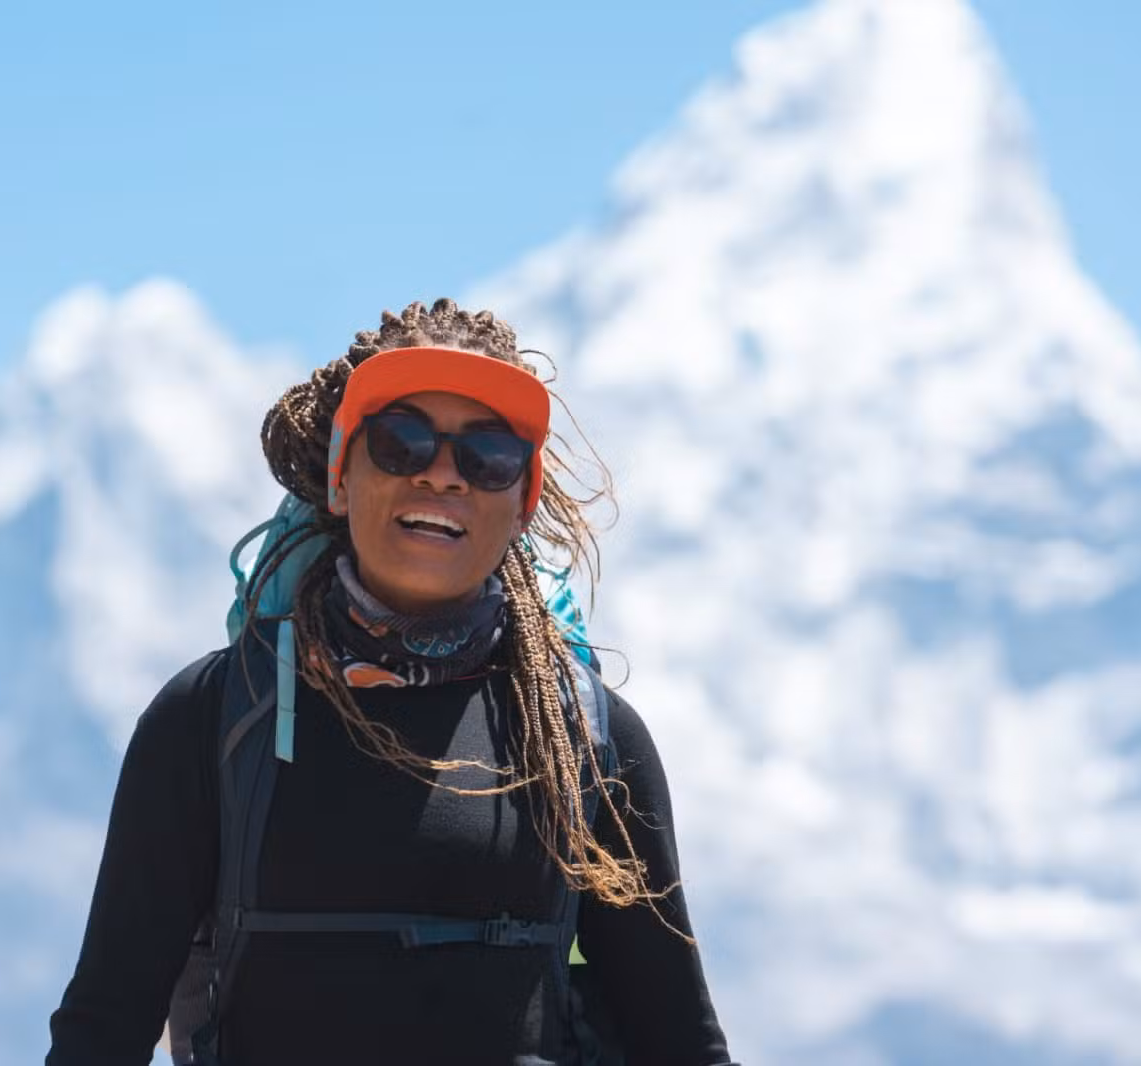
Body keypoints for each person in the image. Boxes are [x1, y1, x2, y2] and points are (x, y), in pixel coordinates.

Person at [46, 299, 735, 1065]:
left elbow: (680, 1043)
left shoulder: (587, 740)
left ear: (522, 503)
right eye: (401, 441)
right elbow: (101, 1031)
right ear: (340, 478)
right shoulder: (212, 718)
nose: (442, 474)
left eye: (488, 455)